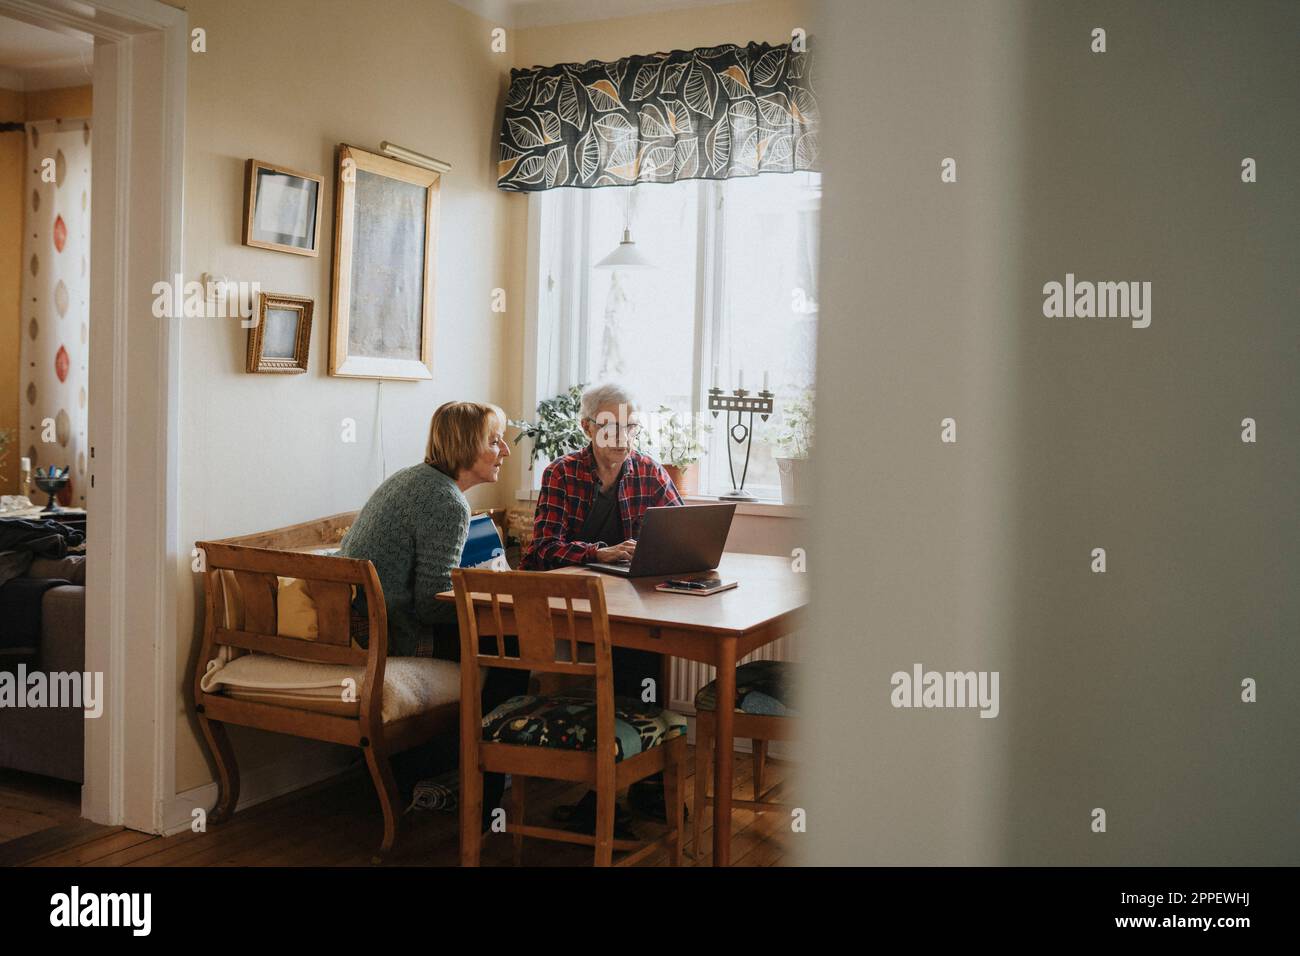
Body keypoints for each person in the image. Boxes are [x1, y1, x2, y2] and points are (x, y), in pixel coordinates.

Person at [339, 400, 525, 826]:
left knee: (504, 644)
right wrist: (485, 600)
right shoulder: (446, 502)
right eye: (495, 442)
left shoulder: (412, 480)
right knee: (513, 649)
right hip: (389, 630)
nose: (506, 451)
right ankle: (483, 789)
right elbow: (429, 603)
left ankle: (452, 773)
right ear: (466, 445)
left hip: (361, 616)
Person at [522, 382, 683, 831]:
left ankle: (634, 783)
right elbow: (542, 550)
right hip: (562, 605)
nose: (623, 437)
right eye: (611, 426)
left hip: (621, 602)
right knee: (633, 658)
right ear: (587, 427)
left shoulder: (648, 471)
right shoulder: (561, 472)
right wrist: (600, 553)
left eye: (631, 426)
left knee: (645, 650)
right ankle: (605, 793)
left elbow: (679, 530)